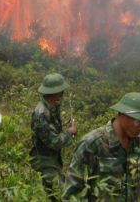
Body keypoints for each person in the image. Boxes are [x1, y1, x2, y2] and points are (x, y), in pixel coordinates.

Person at [62, 92, 140, 201]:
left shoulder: (139, 144)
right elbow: (72, 194)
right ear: (122, 114)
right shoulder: (92, 144)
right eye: (137, 122)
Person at [30, 73, 78, 201]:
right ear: (57, 93)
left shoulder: (52, 106)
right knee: (62, 195)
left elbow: (53, 131)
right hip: (44, 161)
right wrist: (70, 132)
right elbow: (53, 142)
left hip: (52, 159)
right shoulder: (41, 113)